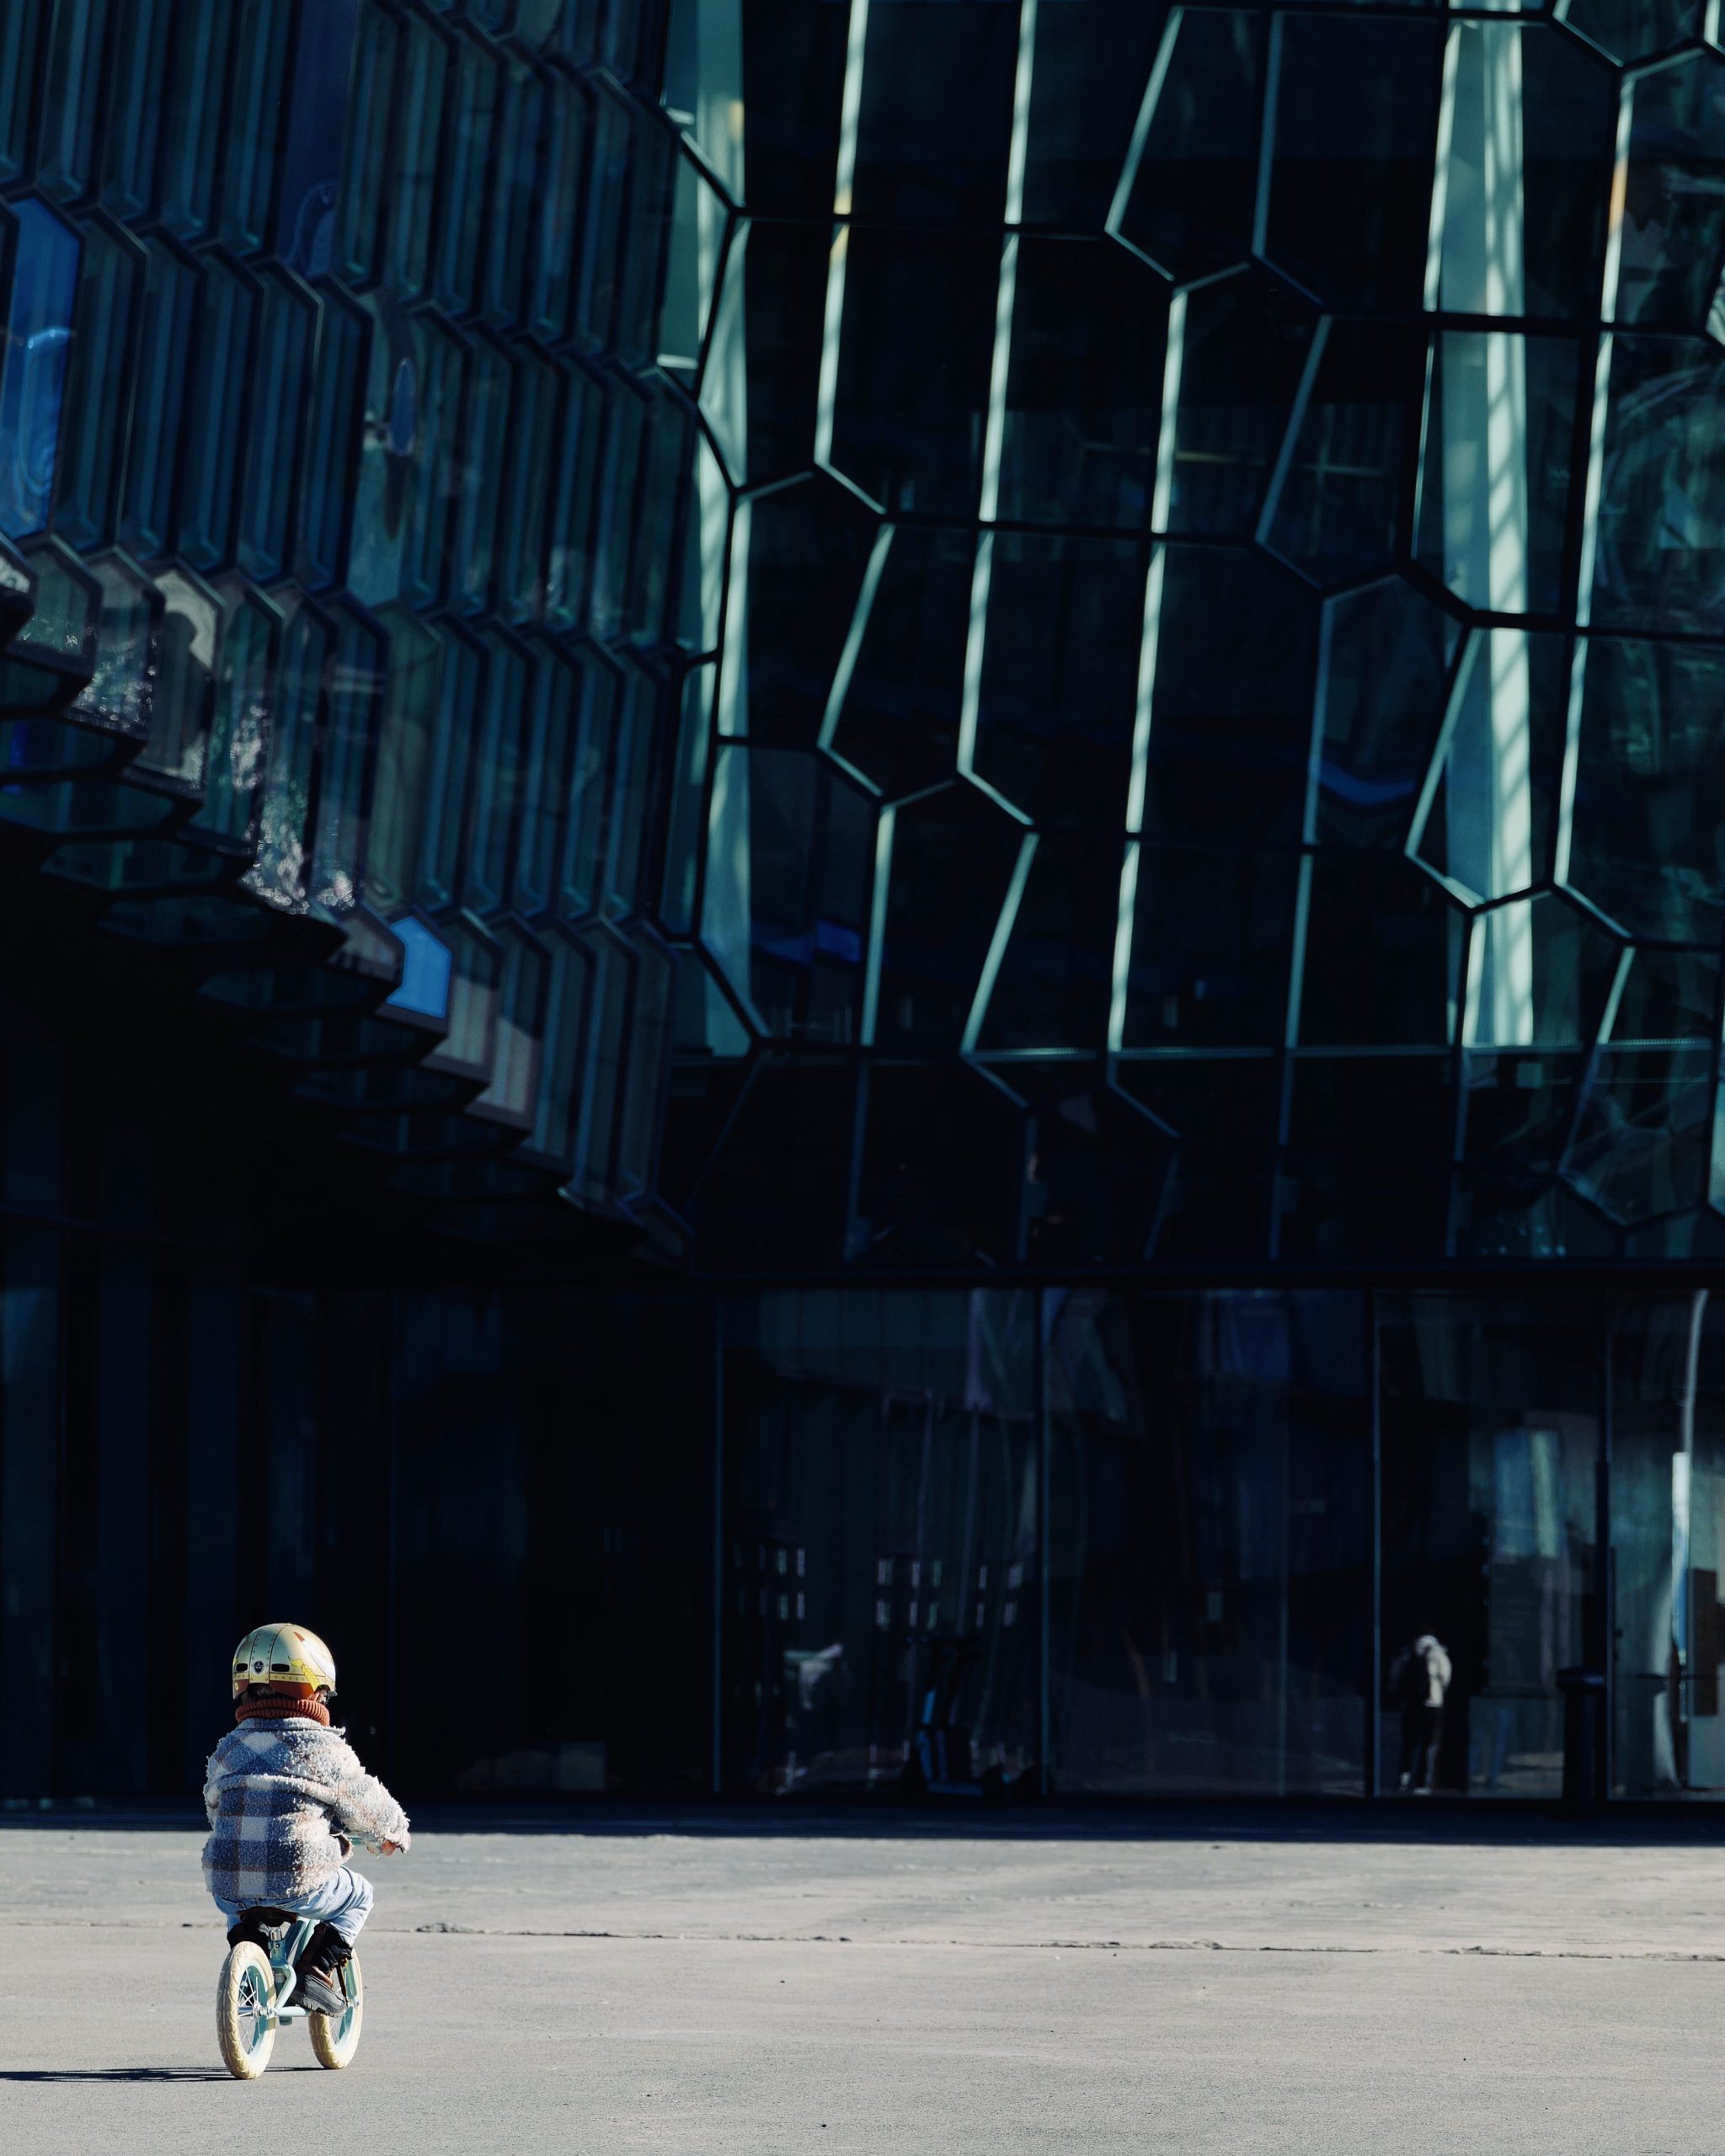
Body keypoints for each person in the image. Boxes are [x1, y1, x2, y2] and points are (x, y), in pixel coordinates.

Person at [203, 1622, 409, 2013]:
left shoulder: (228, 1748)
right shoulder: (322, 1747)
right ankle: (316, 1969)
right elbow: (365, 1803)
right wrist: (392, 1833)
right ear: (312, 1690)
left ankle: (250, 1956)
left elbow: (214, 1807)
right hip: (299, 1876)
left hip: (230, 1878)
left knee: (235, 1897)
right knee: (359, 1895)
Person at [1390, 1632, 1453, 1795]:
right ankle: (1423, 1781)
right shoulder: (1438, 1654)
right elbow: (1446, 1678)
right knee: (1428, 1744)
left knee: (1409, 1745)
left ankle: (1404, 1778)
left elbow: (1394, 1677)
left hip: (1412, 1706)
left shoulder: (1409, 1654)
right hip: (1432, 1704)